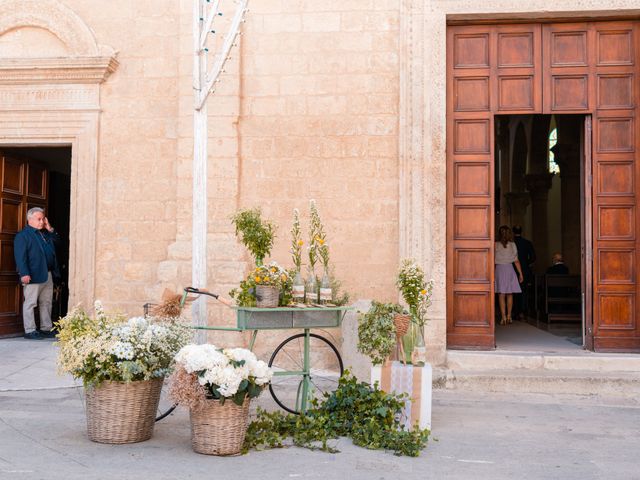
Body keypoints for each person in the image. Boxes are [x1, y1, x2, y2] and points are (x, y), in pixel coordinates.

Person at [14, 207, 60, 340]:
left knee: (46, 302)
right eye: (39, 219)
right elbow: (20, 257)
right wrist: (24, 273)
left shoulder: (45, 234)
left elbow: (58, 243)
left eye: (43, 219)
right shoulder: (23, 236)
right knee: (30, 303)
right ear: (30, 219)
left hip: (48, 274)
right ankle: (30, 330)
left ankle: (46, 328)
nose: (41, 222)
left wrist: (49, 228)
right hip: (33, 275)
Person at [495, 225, 524, 325]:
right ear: (509, 234)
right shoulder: (513, 245)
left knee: (501, 294)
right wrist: (520, 274)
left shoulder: (495, 245)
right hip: (509, 269)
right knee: (510, 293)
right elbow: (516, 261)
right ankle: (509, 316)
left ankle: (503, 317)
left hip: (499, 269)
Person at [512, 225, 536, 319]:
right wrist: (526, 263)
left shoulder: (511, 243)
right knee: (523, 291)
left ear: (513, 232)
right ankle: (523, 311)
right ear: (521, 231)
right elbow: (533, 257)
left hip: (512, 268)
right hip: (525, 270)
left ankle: (514, 311)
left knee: (513, 291)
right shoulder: (527, 243)